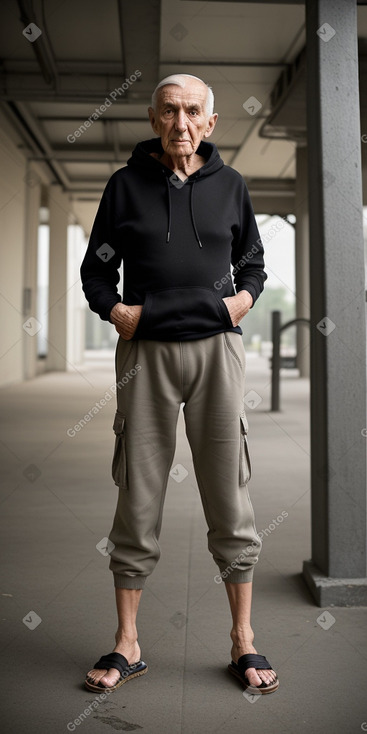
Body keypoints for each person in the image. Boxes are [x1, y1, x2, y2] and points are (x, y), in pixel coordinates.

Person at [80, 73, 279, 696]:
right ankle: (127, 643)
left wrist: (240, 303)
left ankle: (243, 642)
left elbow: (253, 259)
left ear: (211, 123)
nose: (181, 122)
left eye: (193, 111)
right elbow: (96, 270)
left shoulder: (231, 187)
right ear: (153, 116)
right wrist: (118, 313)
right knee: (138, 495)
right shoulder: (125, 187)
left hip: (217, 353)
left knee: (230, 494)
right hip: (147, 354)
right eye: (170, 111)